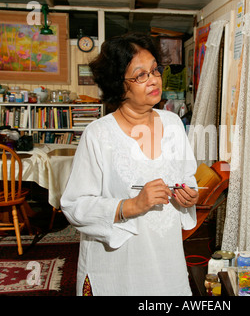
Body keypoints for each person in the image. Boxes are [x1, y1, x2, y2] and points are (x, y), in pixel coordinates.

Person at [60, 33, 199, 296]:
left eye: (155, 70)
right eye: (140, 75)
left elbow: (187, 177)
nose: (154, 79)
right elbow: (74, 205)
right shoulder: (99, 135)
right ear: (118, 85)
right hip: (118, 266)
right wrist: (132, 205)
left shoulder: (172, 124)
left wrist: (188, 195)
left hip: (166, 260)